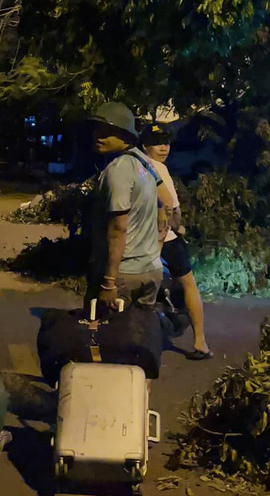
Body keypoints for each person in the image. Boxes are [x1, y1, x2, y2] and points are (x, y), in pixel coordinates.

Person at [88, 102, 175, 311]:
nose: (99, 136)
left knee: (105, 337)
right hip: (150, 270)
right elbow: (168, 202)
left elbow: (118, 228)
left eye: (108, 132)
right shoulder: (144, 164)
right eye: (97, 129)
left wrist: (109, 281)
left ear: (126, 135)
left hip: (123, 274)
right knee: (140, 335)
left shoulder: (118, 170)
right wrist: (155, 250)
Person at [141, 123, 212, 360]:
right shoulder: (158, 168)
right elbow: (172, 206)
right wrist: (175, 226)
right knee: (188, 284)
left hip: (143, 238)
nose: (163, 148)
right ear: (145, 146)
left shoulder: (136, 166)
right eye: (157, 143)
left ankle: (139, 338)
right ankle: (200, 341)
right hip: (164, 239)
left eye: (166, 143)